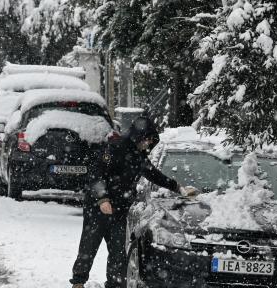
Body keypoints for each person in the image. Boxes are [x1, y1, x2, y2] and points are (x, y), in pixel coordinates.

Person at [70, 117, 198, 288]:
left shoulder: (139, 156)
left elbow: (155, 175)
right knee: (88, 246)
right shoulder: (114, 147)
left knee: (118, 253)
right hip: (98, 208)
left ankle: (115, 284)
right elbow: (96, 174)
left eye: (152, 141)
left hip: (120, 210)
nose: (149, 144)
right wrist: (103, 199)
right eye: (148, 139)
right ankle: (78, 282)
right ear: (139, 136)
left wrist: (178, 188)